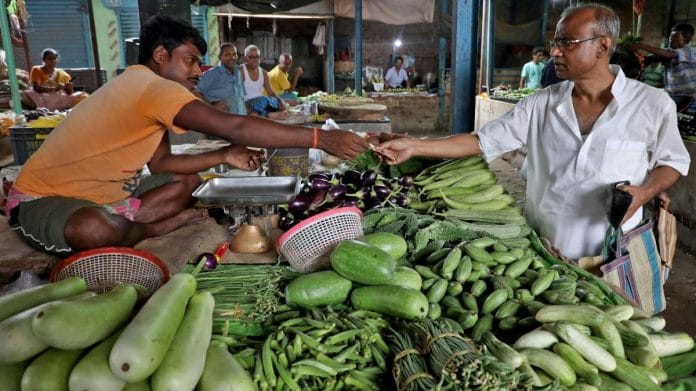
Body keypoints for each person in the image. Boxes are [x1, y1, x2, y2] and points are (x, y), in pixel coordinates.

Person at [5, 15, 367, 255]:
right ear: (160, 55)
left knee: (188, 181)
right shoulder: (152, 87)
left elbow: (161, 162)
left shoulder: (143, 85)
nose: (197, 70)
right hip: (45, 197)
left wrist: (226, 155)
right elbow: (234, 125)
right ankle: (146, 229)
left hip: (107, 196)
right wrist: (321, 139)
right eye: (190, 60)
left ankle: (127, 223)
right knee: (94, 231)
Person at [377, 4, 690, 260]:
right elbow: (481, 141)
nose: (555, 52)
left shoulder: (651, 104)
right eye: (555, 42)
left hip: (615, 250)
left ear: (603, 46)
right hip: (546, 246)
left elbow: (672, 162)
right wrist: (415, 146)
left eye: (568, 42)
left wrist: (646, 192)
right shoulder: (540, 104)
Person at [625, 23, 696, 111]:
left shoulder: (688, 51)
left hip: (684, 95)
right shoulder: (668, 52)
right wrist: (635, 56)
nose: (671, 39)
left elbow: (668, 55)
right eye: (670, 36)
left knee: (652, 107)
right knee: (643, 95)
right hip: (670, 92)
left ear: (686, 40)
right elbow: (650, 59)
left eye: (675, 37)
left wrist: (642, 46)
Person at [20, 48, 89, 110]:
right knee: (24, 95)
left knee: (83, 96)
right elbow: (36, 88)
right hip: (41, 95)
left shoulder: (62, 73)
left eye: (54, 59)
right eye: (49, 59)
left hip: (58, 96)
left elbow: (69, 93)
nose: (52, 61)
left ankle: (58, 106)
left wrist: (69, 87)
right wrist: (54, 89)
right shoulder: (36, 70)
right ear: (44, 60)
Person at [196, 43, 246, 115]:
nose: (232, 57)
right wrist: (211, 107)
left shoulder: (238, 72)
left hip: (239, 118)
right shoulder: (212, 74)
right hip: (222, 120)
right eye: (227, 55)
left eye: (234, 54)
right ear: (220, 57)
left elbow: (240, 98)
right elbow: (196, 92)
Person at [240, 45, 285, 116]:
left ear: (260, 58)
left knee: (277, 102)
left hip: (260, 105)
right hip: (245, 104)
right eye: (251, 57)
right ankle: (267, 114)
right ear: (245, 58)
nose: (254, 60)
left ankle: (261, 114)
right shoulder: (241, 71)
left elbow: (270, 92)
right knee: (262, 99)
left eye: (257, 57)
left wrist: (280, 101)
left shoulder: (264, 73)